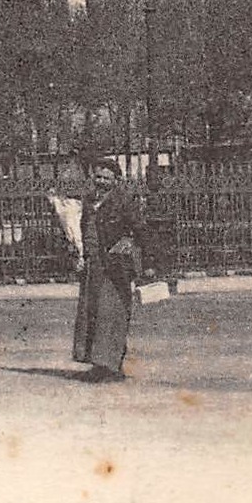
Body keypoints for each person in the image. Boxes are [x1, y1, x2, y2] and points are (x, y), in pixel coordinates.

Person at [72, 159, 149, 382]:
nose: (102, 181)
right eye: (98, 177)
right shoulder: (89, 202)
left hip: (115, 267)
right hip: (93, 265)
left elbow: (139, 229)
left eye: (107, 178)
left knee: (112, 315)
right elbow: (83, 230)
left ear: (116, 180)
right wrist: (80, 254)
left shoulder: (124, 201)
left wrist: (130, 245)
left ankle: (113, 366)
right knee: (92, 313)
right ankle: (97, 364)